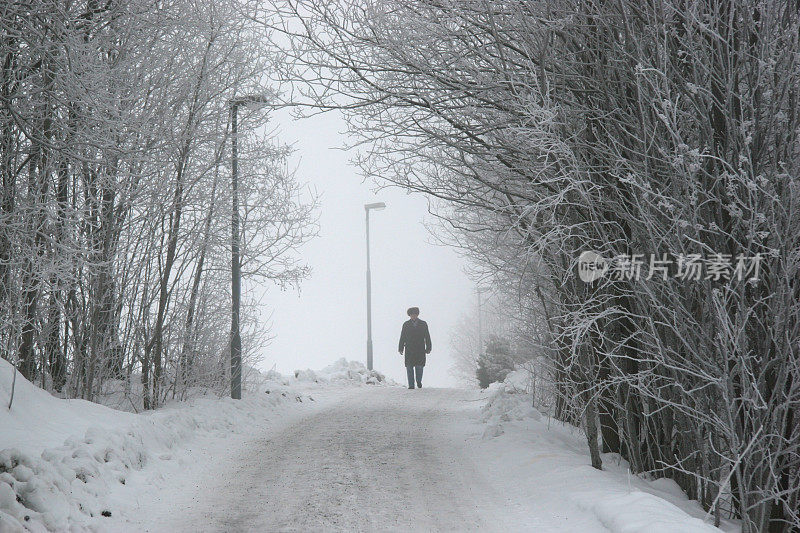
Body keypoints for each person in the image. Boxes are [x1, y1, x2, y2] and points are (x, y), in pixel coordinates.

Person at [398, 307, 432, 389]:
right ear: (409, 315)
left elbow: (427, 336)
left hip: (420, 349)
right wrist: (400, 347)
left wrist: (428, 347)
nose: (413, 316)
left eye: (415, 314)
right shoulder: (406, 324)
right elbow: (402, 336)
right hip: (409, 349)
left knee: (419, 367)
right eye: (412, 314)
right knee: (409, 367)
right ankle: (411, 385)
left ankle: (419, 381)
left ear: (417, 315)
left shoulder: (423, 324)